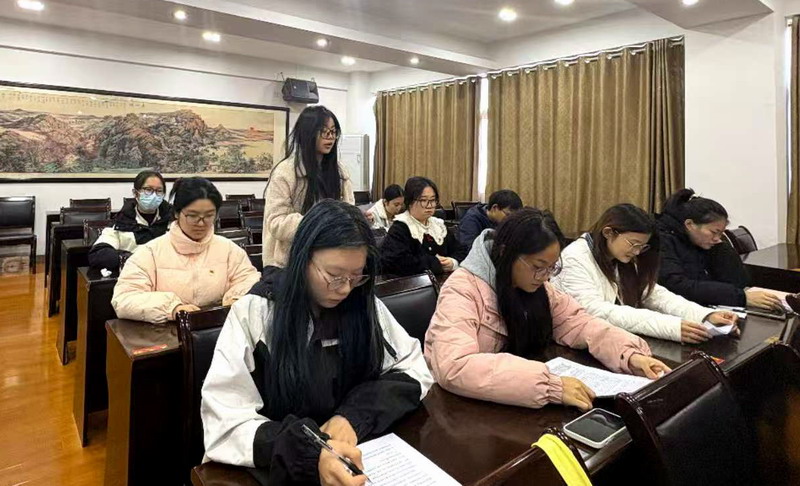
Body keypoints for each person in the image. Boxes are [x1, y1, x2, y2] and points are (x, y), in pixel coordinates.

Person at [201, 200, 433, 485]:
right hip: (280, 468)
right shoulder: (256, 312)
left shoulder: (364, 305)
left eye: (356, 276)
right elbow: (225, 424)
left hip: (358, 455)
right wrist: (310, 452)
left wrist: (352, 418)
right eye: (334, 276)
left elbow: (414, 369)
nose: (345, 289)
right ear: (303, 258)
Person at [425, 208, 670, 412]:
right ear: (505, 253)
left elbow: (577, 321)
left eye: (552, 268)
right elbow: (455, 366)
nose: (545, 277)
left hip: (513, 399)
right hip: (459, 407)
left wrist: (629, 355)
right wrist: (550, 386)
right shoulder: (462, 289)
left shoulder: (538, 286)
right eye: (538, 266)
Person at [553, 204, 739, 344]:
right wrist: (671, 327)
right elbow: (597, 312)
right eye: (634, 244)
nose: (637, 252)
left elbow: (653, 294)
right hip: (581, 343)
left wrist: (705, 315)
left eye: (642, 247)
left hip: (613, 339)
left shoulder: (619, 256)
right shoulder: (575, 258)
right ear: (608, 233)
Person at [112, 177, 260, 323]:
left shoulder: (229, 250)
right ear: (177, 213)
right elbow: (124, 299)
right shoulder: (150, 253)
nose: (201, 223)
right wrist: (173, 308)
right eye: (192, 216)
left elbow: (249, 280)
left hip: (219, 328)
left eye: (209, 216)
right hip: (165, 330)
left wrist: (236, 299)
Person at [657, 188, 783, 310]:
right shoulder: (661, 241)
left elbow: (739, 282)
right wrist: (740, 297)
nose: (717, 238)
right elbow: (679, 286)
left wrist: (722, 248)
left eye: (721, 233)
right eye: (714, 232)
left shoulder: (700, 241)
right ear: (690, 224)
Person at [262, 106, 355, 269]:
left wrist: (355, 217)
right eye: (324, 131)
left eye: (333, 131)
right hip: (290, 263)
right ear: (308, 133)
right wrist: (319, 222)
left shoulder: (339, 172)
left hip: (330, 257)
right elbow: (277, 222)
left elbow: (348, 210)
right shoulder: (285, 172)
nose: (330, 137)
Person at [380, 177, 467, 276]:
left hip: (445, 281)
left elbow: (461, 250)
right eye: (423, 200)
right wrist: (435, 263)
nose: (429, 205)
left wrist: (452, 262)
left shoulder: (438, 225)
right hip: (413, 284)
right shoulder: (400, 228)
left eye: (433, 200)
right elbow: (398, 263)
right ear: (410, 202)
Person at [88, 170, 173, 271]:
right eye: (148, 190)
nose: (154, 195)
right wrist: (134, 259)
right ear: (135, 193)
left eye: (159, 191)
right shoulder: (121, 222)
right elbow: (98, 255)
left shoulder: (174, 221)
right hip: (133, 275)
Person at [458, 189, 522, 250]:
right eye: (508, 215)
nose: (510, 220)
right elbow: (469, 248)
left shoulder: (500, 220)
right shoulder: (471, 220)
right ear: (495, 208)